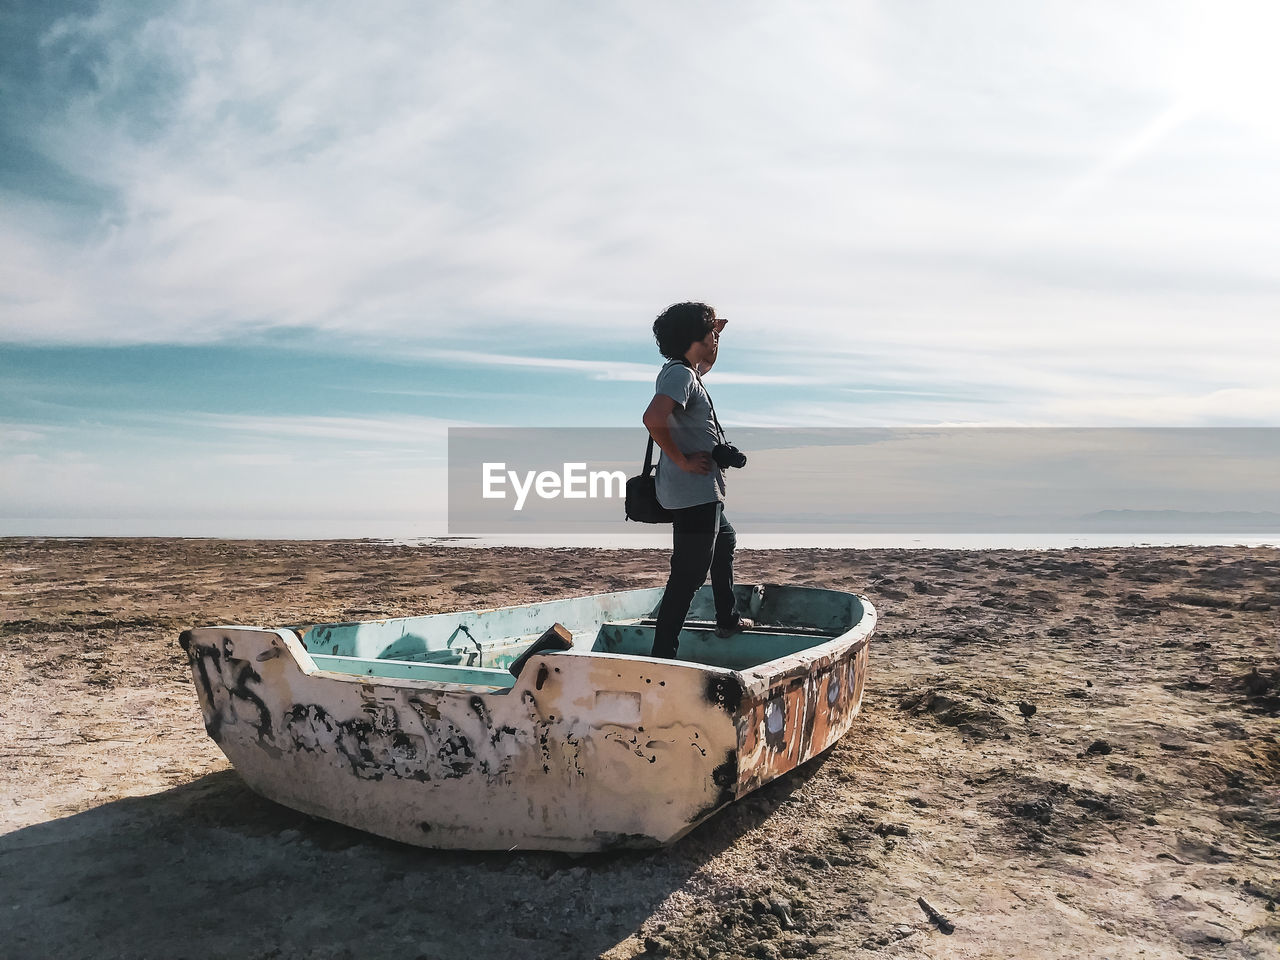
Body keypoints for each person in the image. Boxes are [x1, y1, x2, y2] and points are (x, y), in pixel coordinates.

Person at [641, 302, 754, 659]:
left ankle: (727, 618)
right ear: (696, 337)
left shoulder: (685, 372)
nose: (716, 339)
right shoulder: (680, 376)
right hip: (694, 492)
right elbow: (653, 417)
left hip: (698, 491)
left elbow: (704, 364)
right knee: (688, 575)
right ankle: (663, 656)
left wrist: (712, 334)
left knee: (725, 541)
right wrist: (682, 460)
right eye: (712, 334)